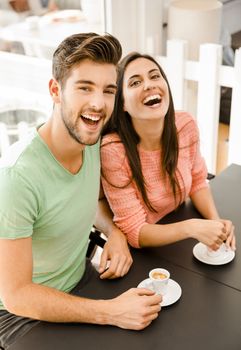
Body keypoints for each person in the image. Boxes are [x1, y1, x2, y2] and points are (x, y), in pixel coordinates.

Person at [0, 35, 162, 349]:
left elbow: (87, 200)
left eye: (108, 90)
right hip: (20, 316)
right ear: (55, 90)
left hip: (81, 280)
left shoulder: (92, 139)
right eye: (85, 87)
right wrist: (110, 312)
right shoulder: (16, 177)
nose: (98, 103)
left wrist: (113, 231)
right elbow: (16, 294)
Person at [101, 52, 236, 251]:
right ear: (122, 104)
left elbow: (198, 181)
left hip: (179, 232)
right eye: (135, 83)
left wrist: (216, 223)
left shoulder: (185, 125)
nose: (149, 85)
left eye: (155, 76)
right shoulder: (113, 151)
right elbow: (135, 231)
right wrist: (191, 228)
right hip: (148, 250)